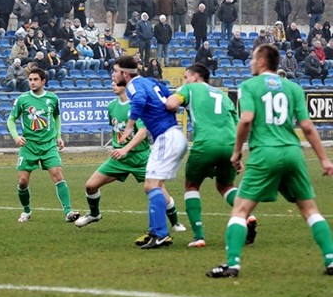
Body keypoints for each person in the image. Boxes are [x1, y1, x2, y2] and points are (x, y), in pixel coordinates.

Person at [207, 44, 333, 278]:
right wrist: (324, 160)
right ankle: (331, 259)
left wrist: (236, 152)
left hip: (265, 153)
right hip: (293, 153)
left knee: (241, 210)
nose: (251, 63)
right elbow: (306, 126)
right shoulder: (292, 87)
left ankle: (232, 263)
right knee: (310, 209)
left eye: (254, 59)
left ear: (263, 61)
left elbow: (246, 120)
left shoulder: (249, 86)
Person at [76, 75, 184, 231]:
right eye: (111, 82)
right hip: (119, 159)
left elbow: (142, 132)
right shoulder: (112, 106)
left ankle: (175, 223)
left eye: (116, 82)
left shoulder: (136, 106)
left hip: (141, 158)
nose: (112, 84)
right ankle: (94, 214)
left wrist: (125, 149)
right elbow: (116, 130)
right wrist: (116, 147)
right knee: (90, 186)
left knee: (159, 190)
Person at [166, 64, 248, 248]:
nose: (185, 80)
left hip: (206, 144)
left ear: (195, 77)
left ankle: (199, 236)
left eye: (186, 76)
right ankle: (248, 216)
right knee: (226, 185)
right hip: (229, 145)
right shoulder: (223, 96)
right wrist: (238, 155)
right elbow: (238, 126)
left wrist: (169, 102)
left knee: (191, 186)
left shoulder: (189, 88)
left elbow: (171, 104)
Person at [115, 55, 188, 249]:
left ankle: (161, 234)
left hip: (166, 137)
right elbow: (168, 97)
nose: (113, 76)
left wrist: (129, 126)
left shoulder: (132, 86)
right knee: (151, 185)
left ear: (124, 73)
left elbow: (139, 100)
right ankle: (155, 231)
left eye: (115, 71)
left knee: (152, 185)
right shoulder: (150, 81)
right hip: (172, 134)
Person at [7, 68, 80, 223]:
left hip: (48, 145)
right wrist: (16, 136)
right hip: (29, 146)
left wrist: (58, 136)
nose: (32, 82)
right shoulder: (23, 99)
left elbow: (56, 116)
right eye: (30, 80)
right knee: (22, 182)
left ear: (43, 81)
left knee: (58, 175)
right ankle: (26, 211)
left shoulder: (53, 98)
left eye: (35, 79)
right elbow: (11, 120)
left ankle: (68, 212)